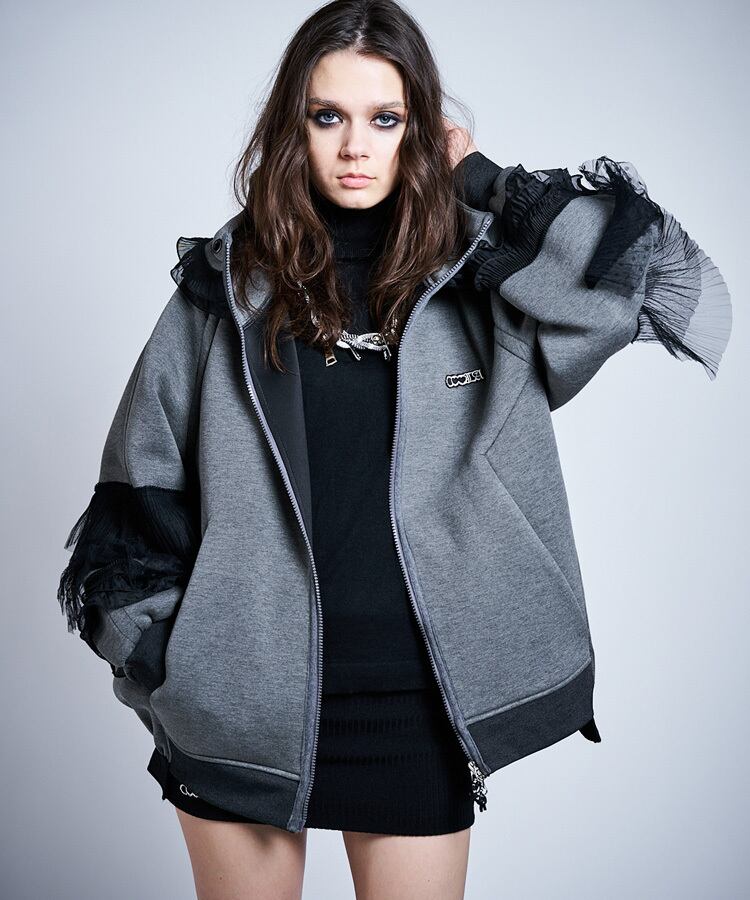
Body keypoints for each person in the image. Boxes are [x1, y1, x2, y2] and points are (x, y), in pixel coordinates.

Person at [55, 1, 732, 898]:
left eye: (386, 118)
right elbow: (137, 491)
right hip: (245, 708)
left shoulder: (482, 280)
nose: (354, 147)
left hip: (416, 703)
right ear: (292, 128)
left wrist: (480, 178)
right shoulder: (223, 292)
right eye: (327, 116)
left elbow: (642, 284)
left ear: (419, 129)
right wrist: (180, 669)